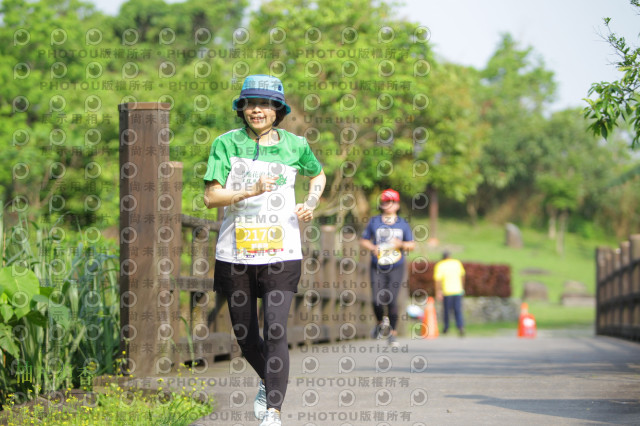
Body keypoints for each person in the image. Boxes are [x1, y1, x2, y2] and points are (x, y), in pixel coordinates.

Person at [203, 74, 326, 426]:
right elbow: (212, 197)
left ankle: (273, 409)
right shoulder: (225, 144)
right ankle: (268, 380)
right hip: (235, 253)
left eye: (265, 104)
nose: (256, 110)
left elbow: (318, 175)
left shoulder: (296, 145)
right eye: (250, 103)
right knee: (245, 335)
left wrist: (312, 200)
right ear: (241, 108)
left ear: (278, 110)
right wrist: (249, 190)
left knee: (275, 327)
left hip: (282, 252)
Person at [360, 188, 415, 346]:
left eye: (391, 202)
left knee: (391, 299)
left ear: (397, 205)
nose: (388, 205)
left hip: (396, 265)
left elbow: (412, 245)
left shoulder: (402, 224)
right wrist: (372, 248)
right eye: (385, 201)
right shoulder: (374, 221)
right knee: (377, 300)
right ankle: (379, 323)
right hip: (377, 265)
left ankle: (392, 333)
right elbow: (363, 240)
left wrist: (401, 244)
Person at [434, 251, 466, 336]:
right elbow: (462, 276)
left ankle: (446, 328)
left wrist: (438, 291)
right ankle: (460, 326)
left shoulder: (440, 265)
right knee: (458, 310)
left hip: (447, 291)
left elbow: (438, 280)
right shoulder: (457, 263)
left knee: (446, 311)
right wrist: (462, 287)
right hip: (457, 290)